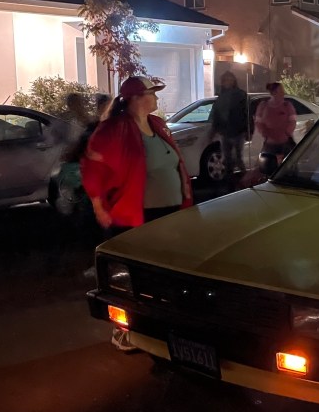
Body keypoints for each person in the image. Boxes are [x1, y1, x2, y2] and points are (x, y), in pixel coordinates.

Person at [81, 76, 194, 350]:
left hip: (170, 213)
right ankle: (125, 330)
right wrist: (99, 205)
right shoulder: (115, 129)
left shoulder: (157, 124)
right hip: (138, 215)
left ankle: (161, 326)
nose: (156, 98)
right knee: (137, 277)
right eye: (151, 93)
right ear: (135, 99)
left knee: (167, 274)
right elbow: (92, 167)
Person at [210, 71, 249, 178]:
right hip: (225, 132)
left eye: (229, 80)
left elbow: (246, 113)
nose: (227, 82)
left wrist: (248, 130)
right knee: (227, 159)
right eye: (225, 80)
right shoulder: (221, 96)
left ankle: (244, 178)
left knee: (238, 158)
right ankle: (229, 180)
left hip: (237, 131)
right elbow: (216, 114)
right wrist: (214, 130)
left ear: (233, 81)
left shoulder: (240, 95)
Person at [255, 82, 297, 164]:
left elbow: (292, 121)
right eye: (280, 91)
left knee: (288, 165)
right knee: (269, 165)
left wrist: (286, 133)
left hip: (285, 143)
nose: (283, 93)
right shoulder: (263, 106)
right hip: (270, 144)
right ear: (273, 93)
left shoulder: (287, 105)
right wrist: (266, 133)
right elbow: (258, 122)